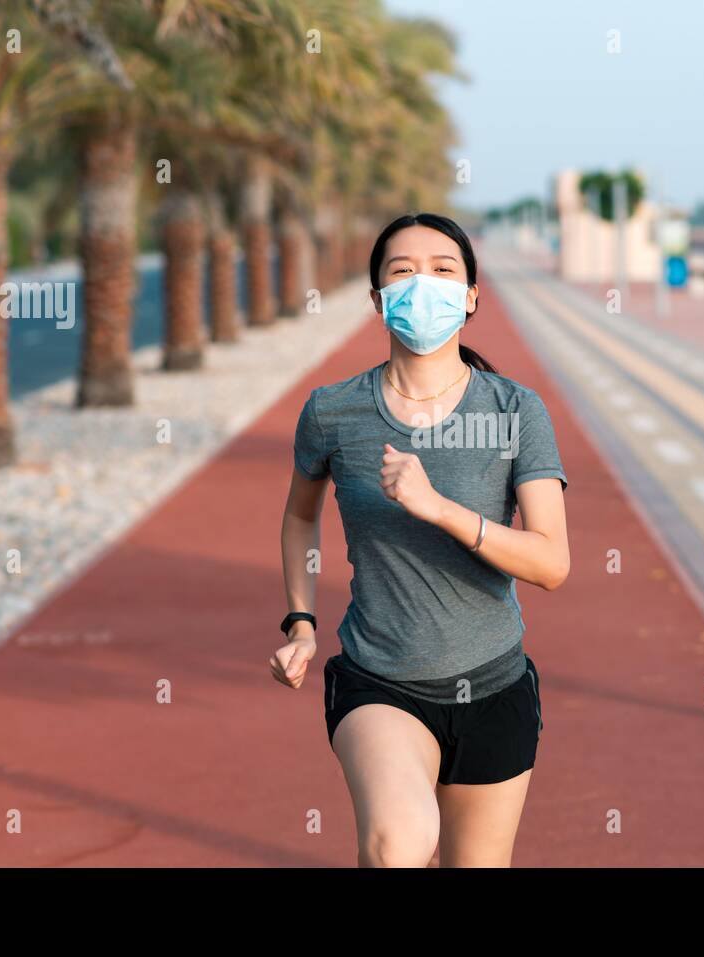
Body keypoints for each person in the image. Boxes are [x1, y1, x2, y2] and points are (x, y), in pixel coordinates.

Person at [272, 212, 570, 867]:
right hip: (381, 682)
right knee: (397, 843)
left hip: (495, 687)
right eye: (402, 272)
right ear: (378, 300)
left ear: (471, 296)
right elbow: (299, 516)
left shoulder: (515, 410)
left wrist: (440, 509)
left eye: (443, 270)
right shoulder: (333, 410)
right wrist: (300, 621)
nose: (422, 285)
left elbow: (551, 562)